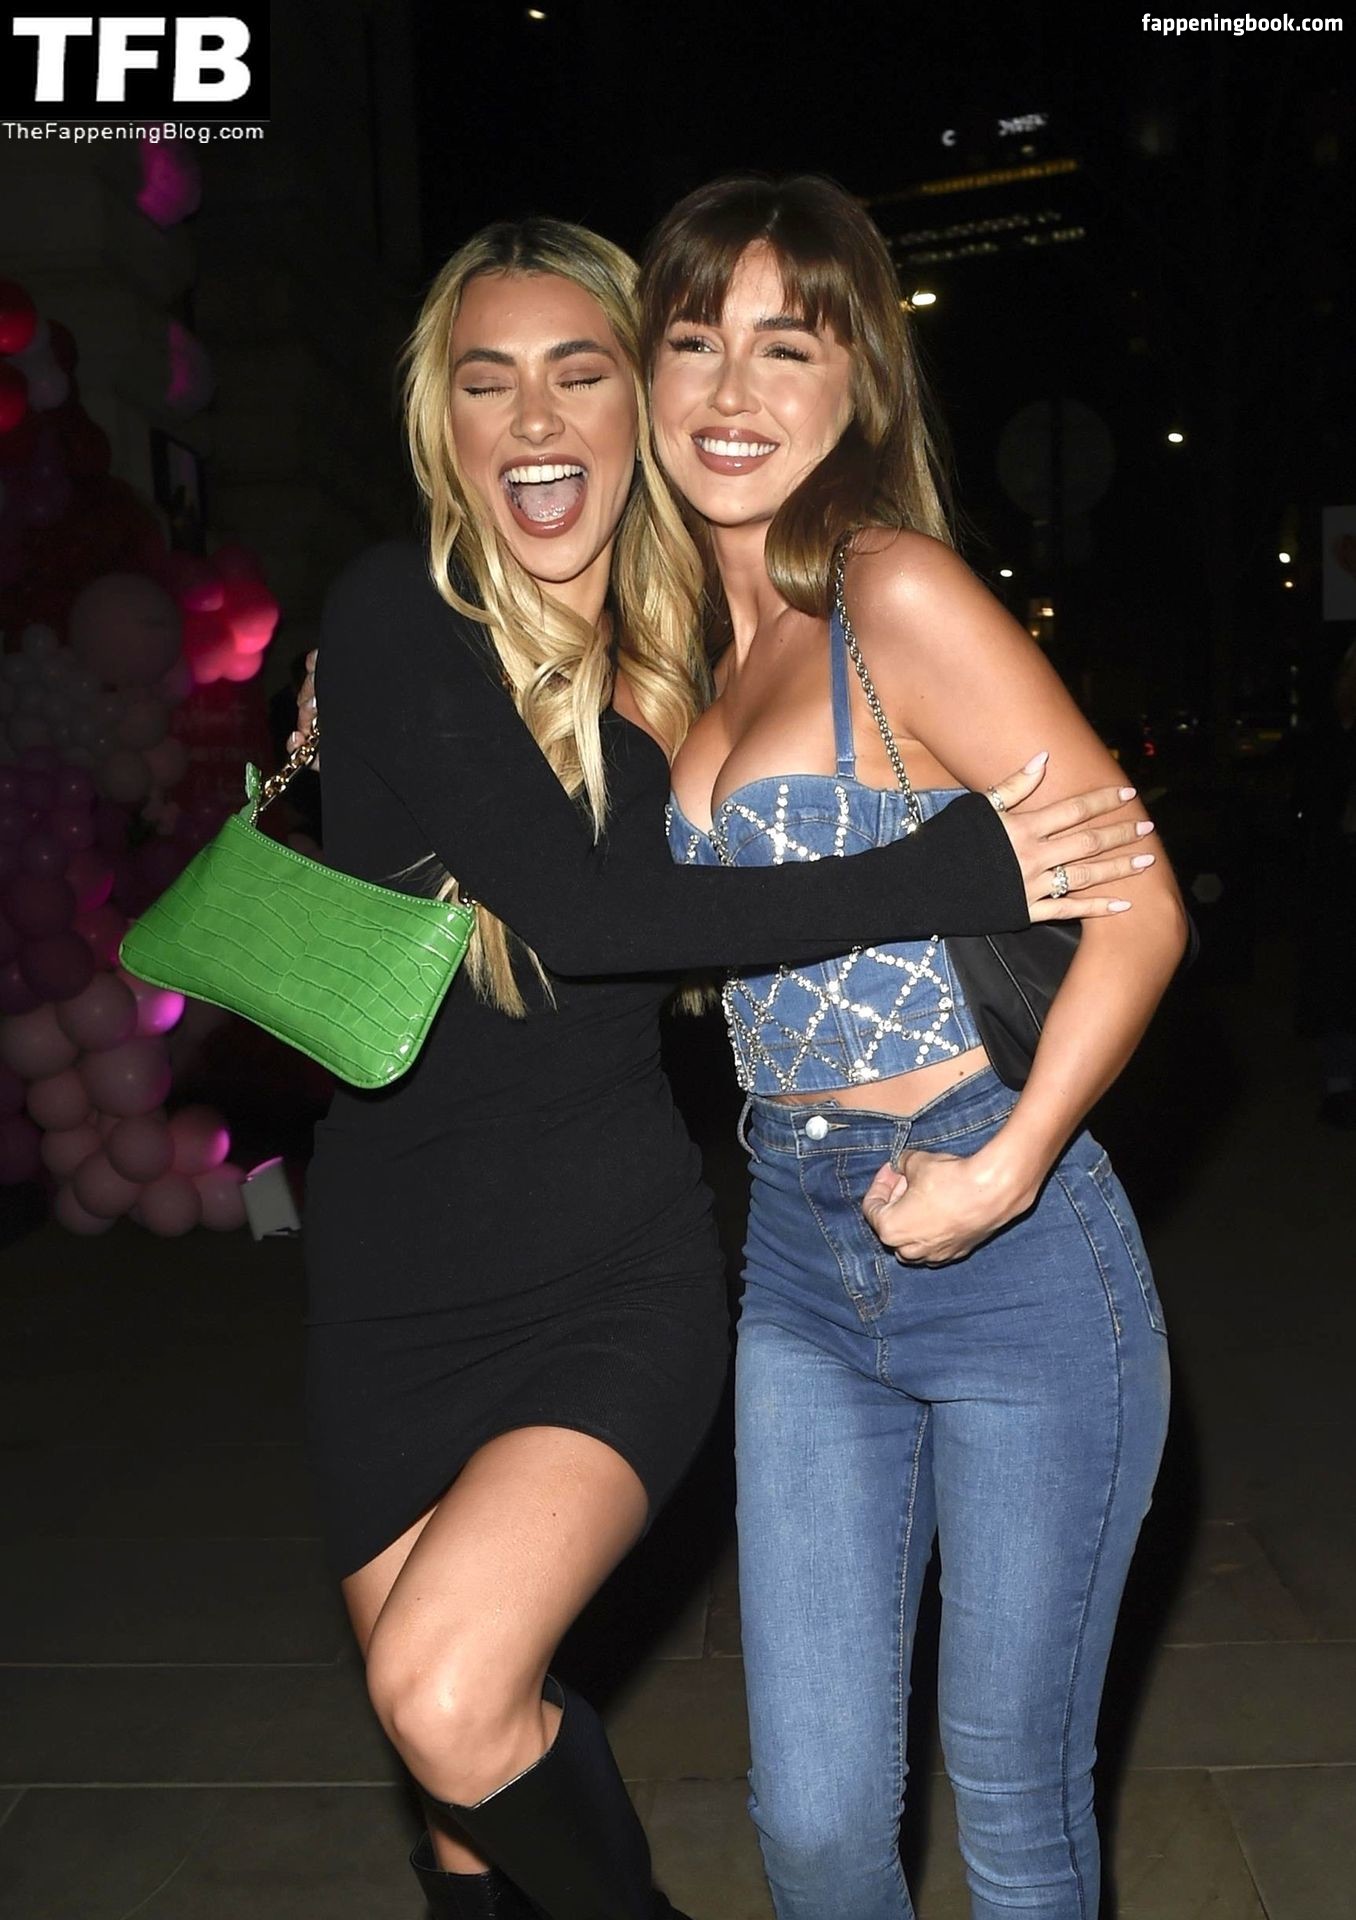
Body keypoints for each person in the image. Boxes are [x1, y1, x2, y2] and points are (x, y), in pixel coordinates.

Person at [297, 217, 1148, 1920]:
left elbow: (1101, 881)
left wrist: (1007, 1122)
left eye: (580, 371)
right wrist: (946, 867)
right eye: (486, 383)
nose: (537, 421)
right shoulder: (404, 616)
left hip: (632, 1263)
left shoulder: (689, 656)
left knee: (450, 1696)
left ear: (634, 408)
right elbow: (582, 907)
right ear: (439, 421)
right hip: (403, 1275)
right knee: (473, 1792)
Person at [644, 174, 1186, 1919]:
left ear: (858, 382)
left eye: (786, 346)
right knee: (812, 1827)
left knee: (1015, 1809)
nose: (733, 390)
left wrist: (1004, 1170)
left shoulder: (895, 592)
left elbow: (1140, 907)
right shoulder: (685, 652)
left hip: (1009, 1244)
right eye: (695, 341)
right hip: (796, 1261)